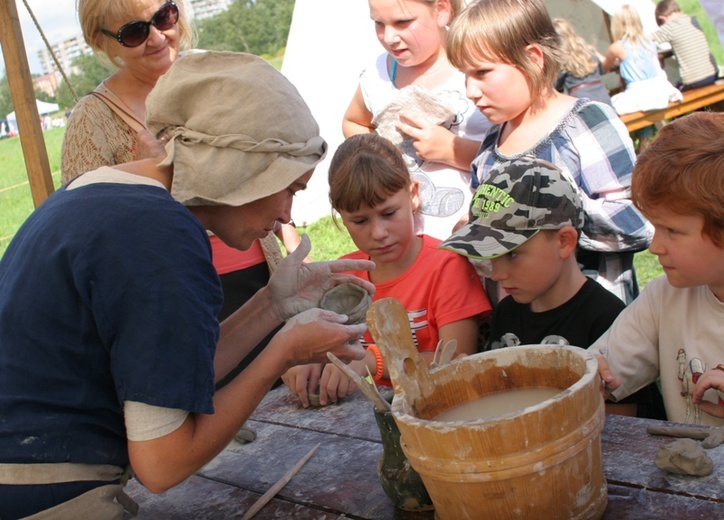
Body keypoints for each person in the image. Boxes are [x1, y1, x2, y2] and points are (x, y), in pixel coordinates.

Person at [0, 51, 375, 518]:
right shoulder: (160, 234)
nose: (287, 215)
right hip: (44, 492)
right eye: (290, 187)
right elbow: (162, 464)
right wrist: (283, 352)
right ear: (240, 170)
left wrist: (272, 306)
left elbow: (172, 378)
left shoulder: (106, 191)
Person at [62, 0, 300, 370]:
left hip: (258, 271)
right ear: (102, 41)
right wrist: (151, 174)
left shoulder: (216, 76)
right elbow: (86, 238)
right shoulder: (92, 120)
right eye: (135, 32)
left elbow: (271, 168)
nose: (157, 36)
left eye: (164, 16)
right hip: (175, 298)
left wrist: (290, 237)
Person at [446, 0, 651, 305]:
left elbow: (637, 222)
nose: (470, 90)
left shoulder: (586, 123)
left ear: (533, 58)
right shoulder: (491, 145)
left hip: (593, 325)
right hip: (521, 327)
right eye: (465, 75)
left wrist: (546, 211)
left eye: (482, 72)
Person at [441, 156, 664, 419]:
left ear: (564, 241)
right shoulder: (507, 312)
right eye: (491, 256)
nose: (497, 273)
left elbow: (621, 421)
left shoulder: (606, 317)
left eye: (511, 254)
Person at [282, 133, 492, 408]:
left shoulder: (447, 267)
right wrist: (303, 362)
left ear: (413, 195)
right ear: (341, 217)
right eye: (359, 221)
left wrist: (374, 361)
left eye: (389, 213)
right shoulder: (342, 279)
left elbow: (457, 362)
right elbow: (304, 348)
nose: (378, 233)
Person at [592, 112, 724, 427]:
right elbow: (602, 366)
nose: (655, 247)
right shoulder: (664, 298)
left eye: (672, 231)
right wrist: (585, 370)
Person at [342, 0, 491, 240]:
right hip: (406, 244)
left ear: (441, 11)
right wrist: (383, 161)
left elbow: (521, 151)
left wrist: (453, 151)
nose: (389, 37)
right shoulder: (378, 74)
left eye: (403, 22)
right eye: (379, 23)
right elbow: (354, 122)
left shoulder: (479, 66)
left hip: (476, 237)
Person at [602, 4, 682, 117]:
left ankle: (643, 135)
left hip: (639, 94)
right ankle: (645, 135)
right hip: (660, 90)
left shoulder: (617, 47)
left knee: (612, 108)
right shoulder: (648, 40)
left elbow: (605, 68)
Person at [652, 0, 719, 91]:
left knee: (675, 92)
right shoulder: (693, 20)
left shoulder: (670, 27)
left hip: (694, 80)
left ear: (663, 18)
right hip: (713, 73)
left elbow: (644, 40)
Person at [553, 17, 612, 106]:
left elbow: (556, 86)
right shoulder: (589, 51)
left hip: (582, 100)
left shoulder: (562, 59)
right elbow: (603, 67)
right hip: (602, 95)